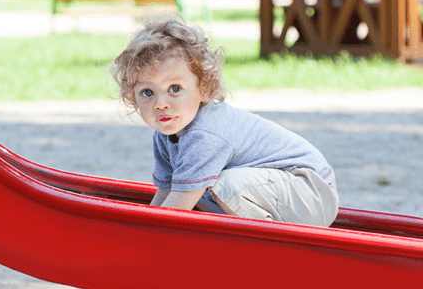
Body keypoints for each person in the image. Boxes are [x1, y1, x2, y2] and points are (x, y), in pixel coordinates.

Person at [109, 15, 339, 227]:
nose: (161, 103)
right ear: (133, 96)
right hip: (285, 193)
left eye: (175, 88)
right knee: (201, 186)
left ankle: (274, 244)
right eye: (147, 93)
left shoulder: (205, 134)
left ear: (205, 89)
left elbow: (178, 206)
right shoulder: (165, 134)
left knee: (218, 185)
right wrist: (140, 228)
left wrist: (143, 239)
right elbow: (167, 192)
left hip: (311, 191)